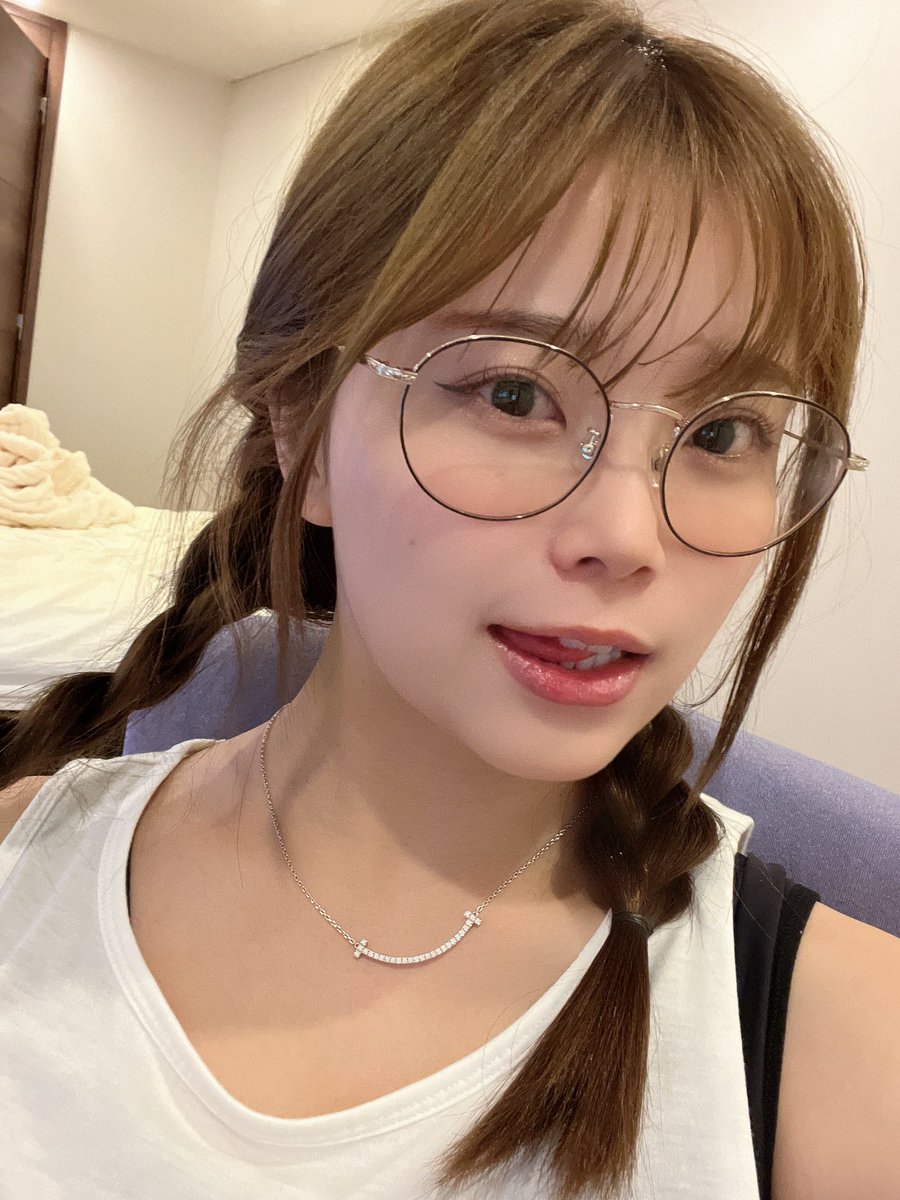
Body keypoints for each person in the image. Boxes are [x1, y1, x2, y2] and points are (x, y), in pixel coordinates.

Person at [1, 0, 897, 1197]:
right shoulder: (25, 860)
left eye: (726, 431)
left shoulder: (838, 1041)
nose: (627, 538)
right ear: (302, 424)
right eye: (515, 395)